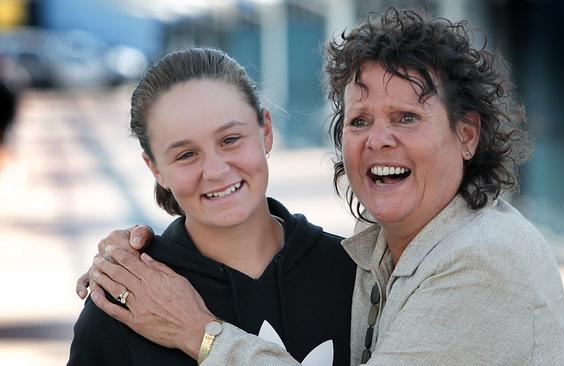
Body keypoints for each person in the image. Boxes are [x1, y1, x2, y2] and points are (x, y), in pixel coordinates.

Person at [78, 8, 564, 365]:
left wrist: (200, 334)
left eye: (406, 117)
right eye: (360, 121)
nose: (380, 140)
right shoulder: (370, 265)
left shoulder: (480, 258)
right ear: (154, 168)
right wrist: (129, 253)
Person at [67, 48, 356, 366]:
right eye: (186, 154)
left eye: (230, 139)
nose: (216, 170)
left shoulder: (356, 274)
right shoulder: (125, 300)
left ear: (266, 132)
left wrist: (200, 335)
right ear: (156, 169)